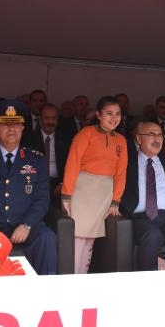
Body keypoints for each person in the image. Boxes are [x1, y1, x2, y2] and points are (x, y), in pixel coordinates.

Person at [0, 99, 56, 275]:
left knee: (47, 237)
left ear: (23, 128)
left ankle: (46, 289)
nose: (11, 129)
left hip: (24, 225)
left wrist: (27, 224)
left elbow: (42, 199)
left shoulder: (36, 159)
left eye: (16, 124)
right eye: (5, 124)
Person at [61, 95, 128, 274]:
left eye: (118, 114)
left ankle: (82, 277)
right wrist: (66, 196)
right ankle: (70, 279)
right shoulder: (86, 133)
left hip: (104, 192)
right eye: (109, 113)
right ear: (98, 115)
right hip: (82, 189)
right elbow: (72, 163)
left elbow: (121, 173)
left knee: (90, 239)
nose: (114, 118)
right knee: (77, 238)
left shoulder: (121, 140)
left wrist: (116, 201)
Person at [120, 122, 165, 271]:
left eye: (160, 135)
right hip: (140, 217)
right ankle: (147, 280)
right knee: (153, 235)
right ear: (139, 139)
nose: (157, 139)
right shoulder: (126, 164)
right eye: (151, 135)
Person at [29, 103, 71, 207]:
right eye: (47, 118)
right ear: (40, 120)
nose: (50, 122)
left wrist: (63, 182)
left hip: (58, 184)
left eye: (53, 118)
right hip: (36, 183)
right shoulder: (30, 139)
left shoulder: (66, 139)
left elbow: (70, 164)